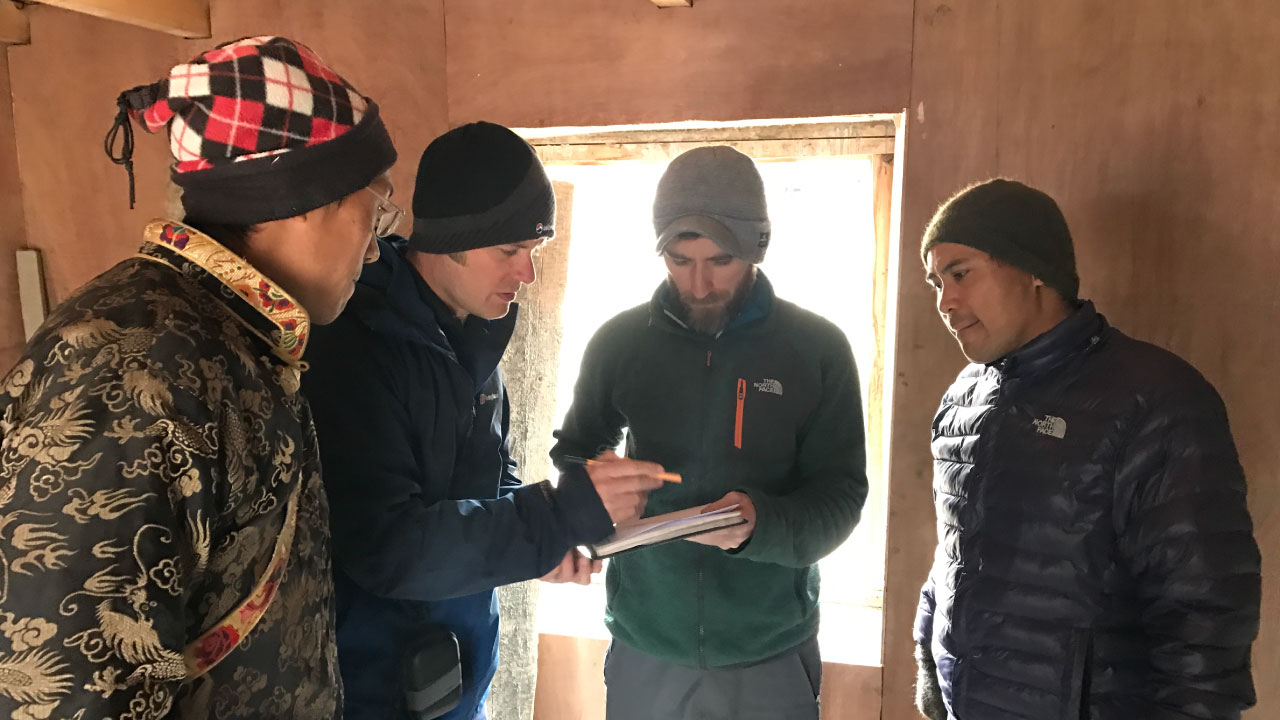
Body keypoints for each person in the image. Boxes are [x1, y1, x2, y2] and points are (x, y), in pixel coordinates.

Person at [0, 36, 398, 719]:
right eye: (376, 203)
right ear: (305, 197)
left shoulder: (235, 343)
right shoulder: (128, 366)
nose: (381, 235)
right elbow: (67, 696)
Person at [302, 121, 665, 720]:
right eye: (509, 251)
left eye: (533, 252)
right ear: (452, 241)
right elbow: (389, 548)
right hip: (372, 689)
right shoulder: (359, 346)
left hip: (452, 682)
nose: (525, 274)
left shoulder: (474, 343)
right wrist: (557, 512)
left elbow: (488, 482)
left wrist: (547, 542)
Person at [913, 178, 1261, 720]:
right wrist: (929, 667)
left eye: (960, 274)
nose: (945, 301)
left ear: (1034, 270)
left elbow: (1202, 619)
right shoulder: (963, 397)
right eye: (936, 282)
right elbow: (952, 555)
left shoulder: (1156, 399)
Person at [549, 145, 869, 719]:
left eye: (720, 261)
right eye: (678, 260)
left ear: (758, 246)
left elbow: (842, 497)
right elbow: (575, 454)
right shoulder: (621, 342)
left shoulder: (816, 349)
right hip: (647, 639)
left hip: (769, 647)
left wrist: (761, 525)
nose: (697, 285)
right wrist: (593, 497)